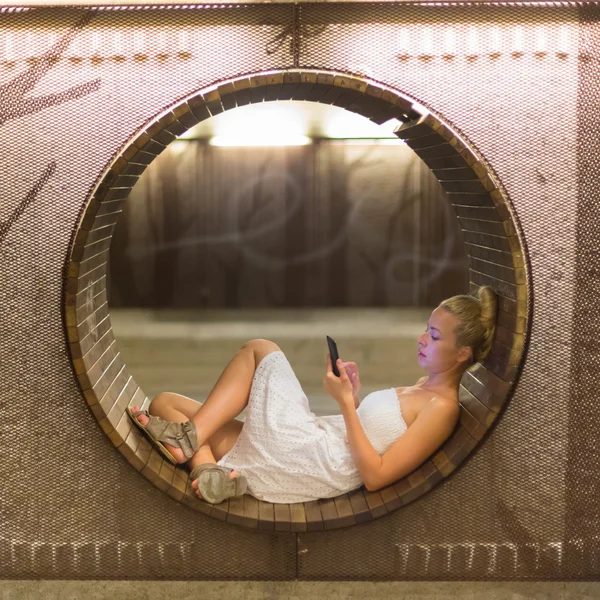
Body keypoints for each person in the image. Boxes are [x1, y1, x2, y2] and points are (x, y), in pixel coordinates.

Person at [127, 286, 497, 505]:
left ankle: (189, 442)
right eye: (425, 329)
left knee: (260, 349)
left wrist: (343, 407)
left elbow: (376, 476)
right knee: (165, 404)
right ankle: (210, 473)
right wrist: (352, 397)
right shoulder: (422, 387)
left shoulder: (442, 408)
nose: (421, 339)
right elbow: (373, 434)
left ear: (462, 354)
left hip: (318, 461)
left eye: (434, 336)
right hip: (316, 439)